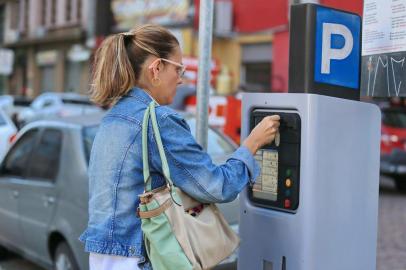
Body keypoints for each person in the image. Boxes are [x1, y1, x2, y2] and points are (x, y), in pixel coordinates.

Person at [79, 24, 280, 270]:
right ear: (156, 68)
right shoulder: (157, 120)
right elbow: (217, 186)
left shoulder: (113, 118)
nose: (181, 78)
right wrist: (252, 144)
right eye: (178, 68)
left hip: (104, 258)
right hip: (142, 258)